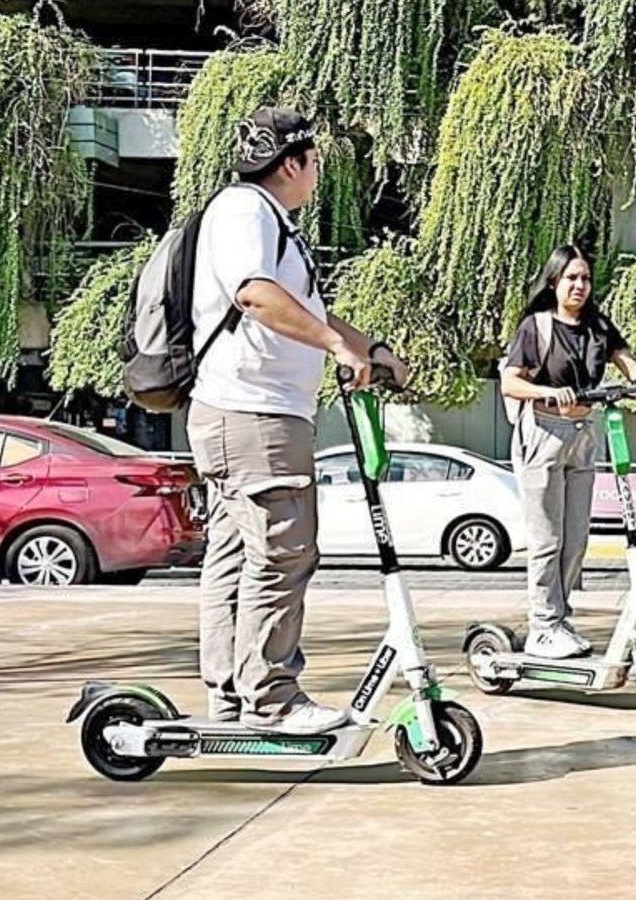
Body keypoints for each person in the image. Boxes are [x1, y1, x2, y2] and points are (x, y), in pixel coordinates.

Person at [188, 105, 410, 734]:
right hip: (253, 413)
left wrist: (369, 348)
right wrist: (337, 348)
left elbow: (306, 310)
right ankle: (272, 698)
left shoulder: (270, 221)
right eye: (315, 163)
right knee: (283, 552)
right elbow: (254, 295)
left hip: (253, 413)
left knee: (238, 556)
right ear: (292, 163)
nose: (317, 175)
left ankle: (233, 695)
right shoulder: (245, 210)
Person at [501, 245, 636, 659]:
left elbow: (626, 361)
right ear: (554, 281)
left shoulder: (598, 326)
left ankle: (559, 620)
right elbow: (510, 382)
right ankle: (543, 626)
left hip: (583, 432)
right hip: (542, 432)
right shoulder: (536, 327)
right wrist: (545, 391)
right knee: (547, 539)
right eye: (571, 278)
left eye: (586, 278)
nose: (580, 285)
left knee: (575, 538)